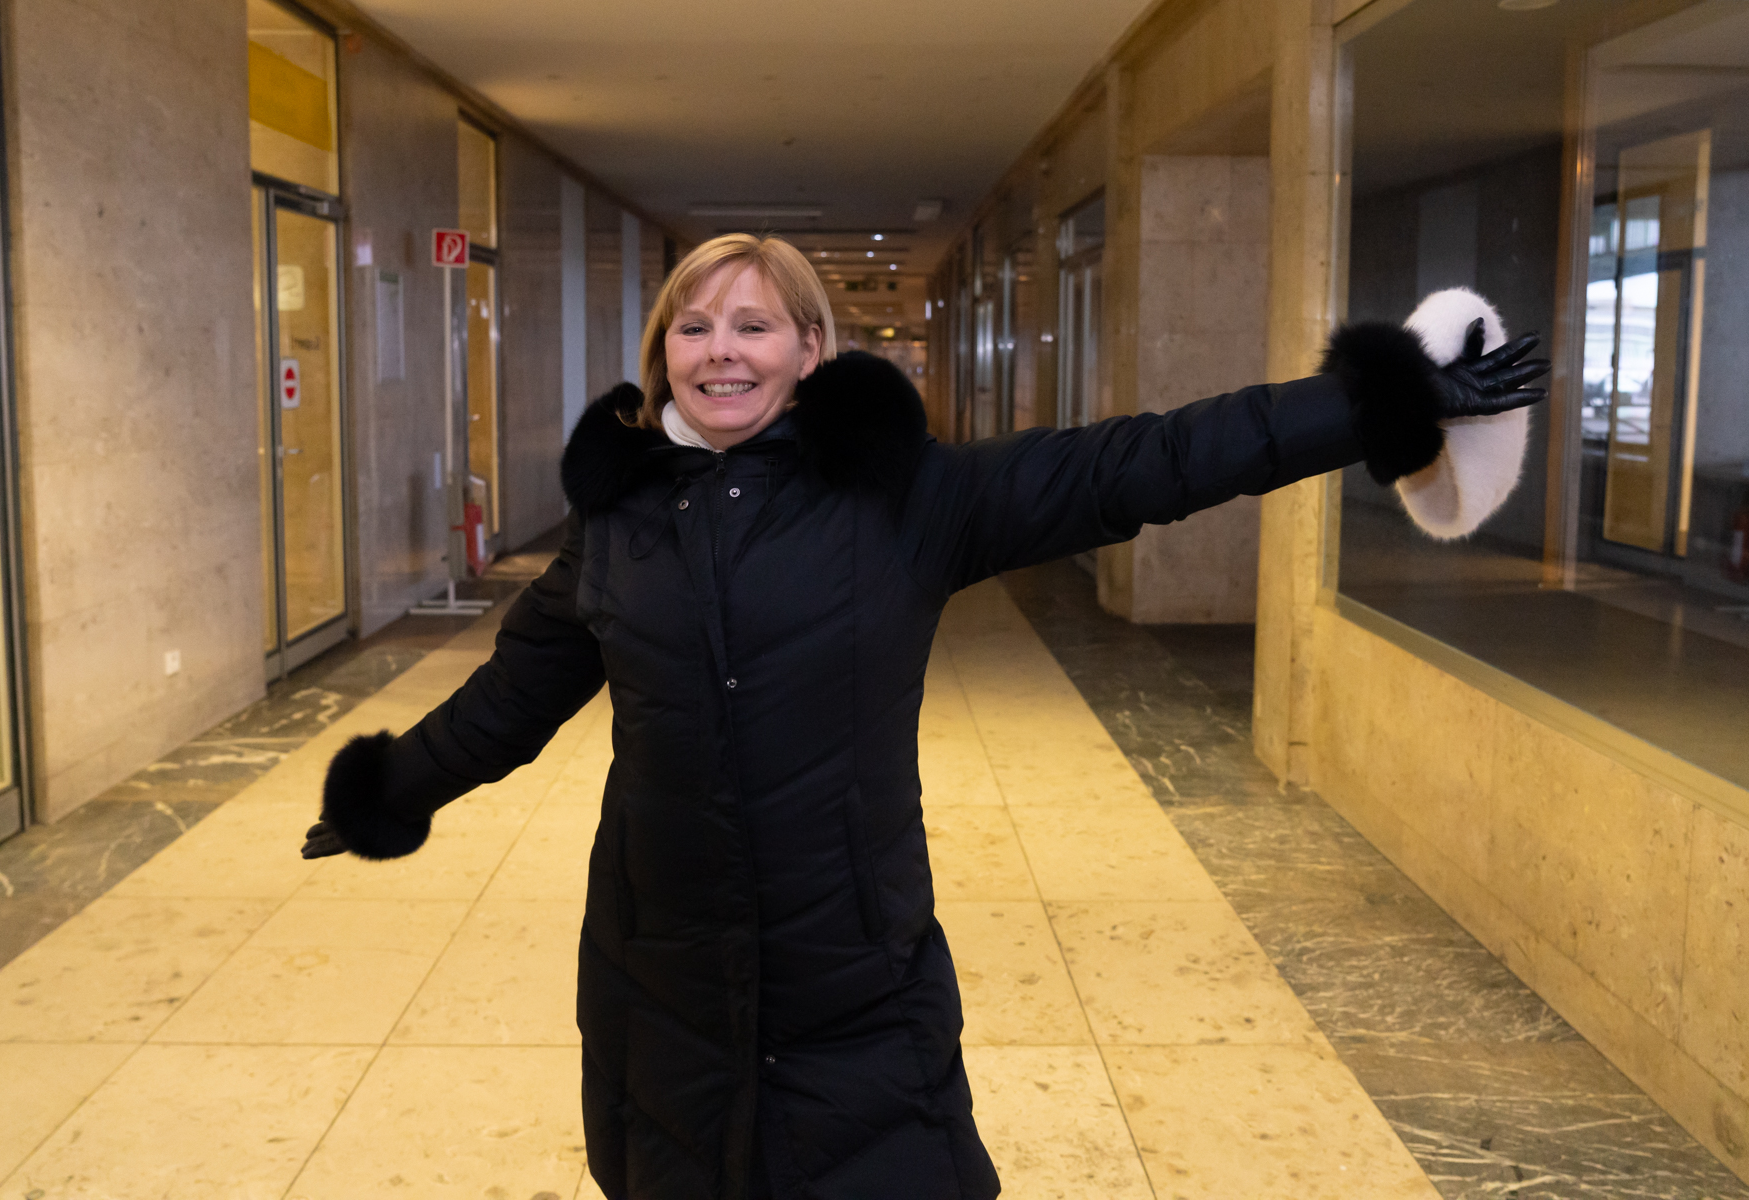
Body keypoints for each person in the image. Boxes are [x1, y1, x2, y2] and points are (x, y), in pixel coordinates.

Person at [300, 232, 1546, 1200]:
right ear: (660, 348)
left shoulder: (911, 498)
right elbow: (513, 698)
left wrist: (1378, 403)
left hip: (852, 971)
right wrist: (387, 794)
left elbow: (1148, 461)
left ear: (810, 348)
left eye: (751, 324)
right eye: (692, 325)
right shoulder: (619, 527)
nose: (718, 349)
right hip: (659, 969)